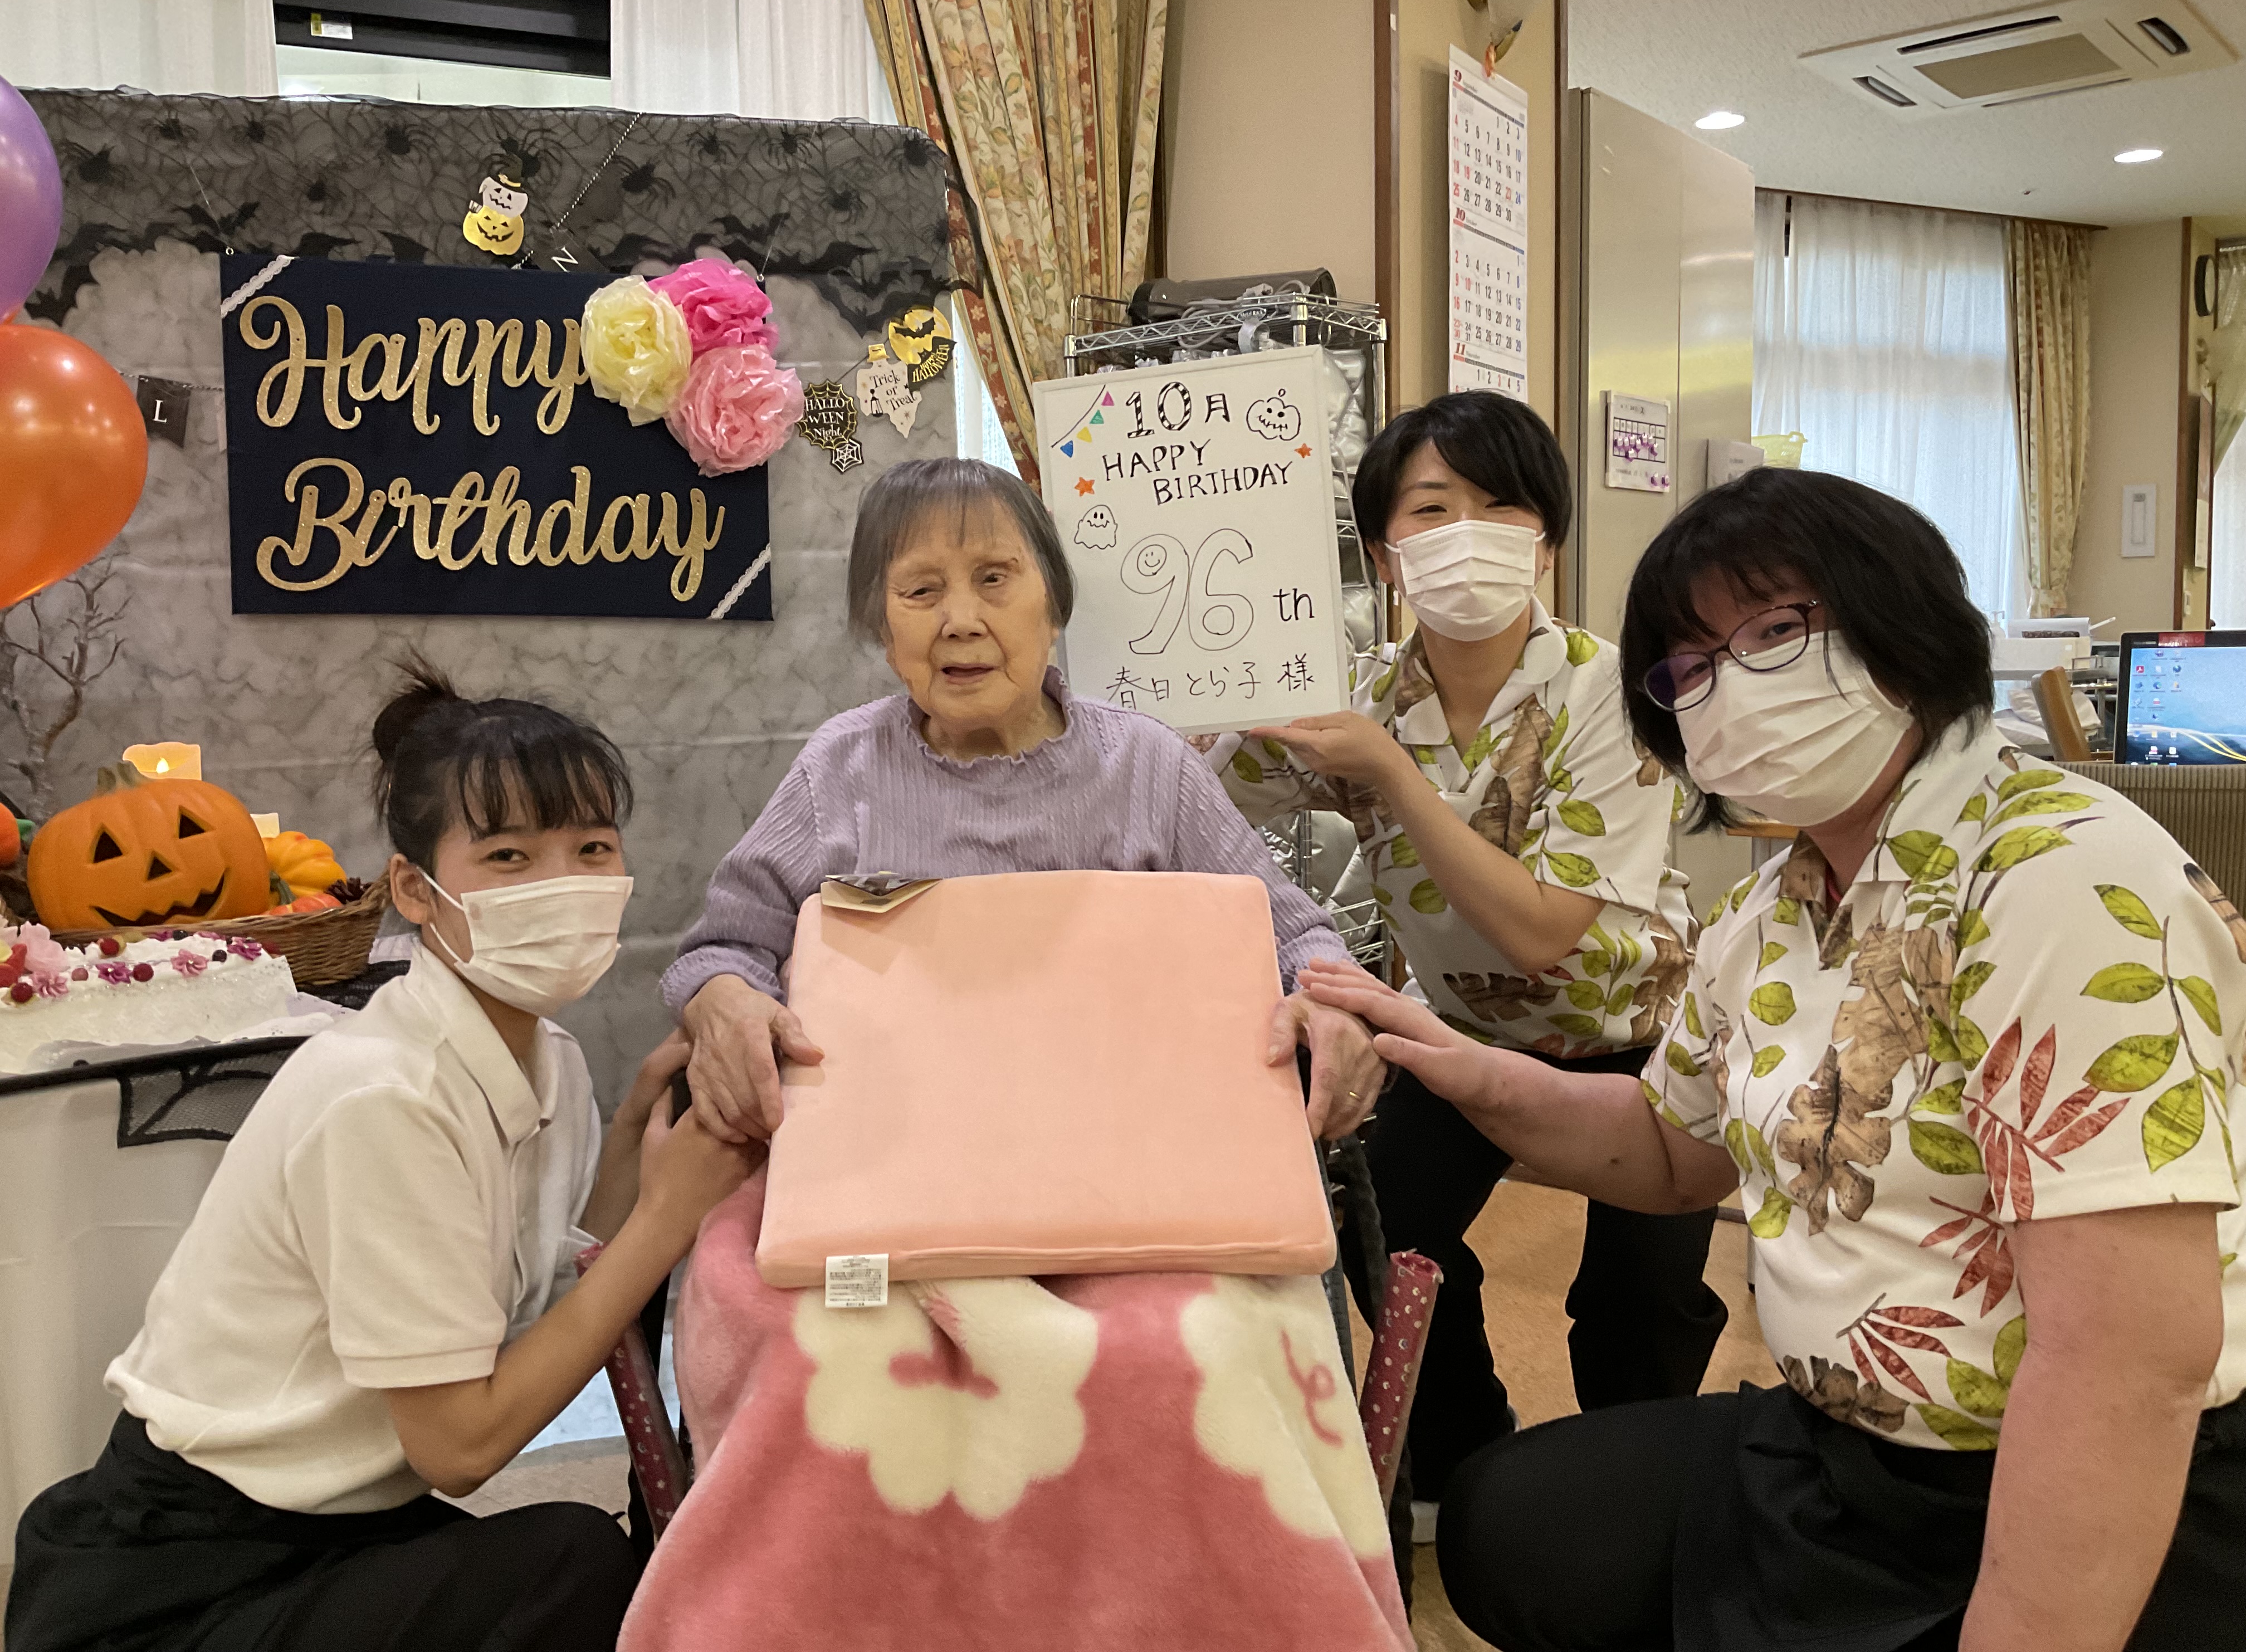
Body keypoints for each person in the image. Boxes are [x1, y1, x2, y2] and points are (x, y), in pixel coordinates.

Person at [1297, 466, 2246, 1652]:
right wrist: (1458, 1060)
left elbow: (2128, 1362)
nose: (1730, 686)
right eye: (1690, 666)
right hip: (1845, 1447)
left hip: (2079, 1469)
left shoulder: (2059, 879)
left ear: (1906, 628)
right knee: (1513, 1524)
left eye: (1775, 631)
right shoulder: (1770, 914)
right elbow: (1668, 1152)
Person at [628, 457, 1410, 1652]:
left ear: (1053, 600)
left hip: (1142, 1188)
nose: (960, 619)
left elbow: (1295, 932)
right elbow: (721, 945)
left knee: (1194, 1350)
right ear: (879, 623)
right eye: (919, 589)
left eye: (995, 577)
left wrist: (1330, 1006)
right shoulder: (839, 770)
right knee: (827, 1353)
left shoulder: (1146, 767)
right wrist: (729, 1000)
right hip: (888, 1186)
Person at [7, 664, 753, 1652]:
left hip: (341, 1522)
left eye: (591, 848)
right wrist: (664, 1221)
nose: (562, 885)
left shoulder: (549, 1059)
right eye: (509, 856)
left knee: (605, 1572)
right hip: (182, 1571)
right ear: (414, 888)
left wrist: (631, 1159)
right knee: (573, 1569)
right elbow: (461, 1446)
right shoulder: (385, 1094)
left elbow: (549, 1289)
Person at [1205, 390, 1720, 1533]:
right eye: (1432, 509)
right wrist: (1196, 706)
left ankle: (1642, 1503)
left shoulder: (1611, 692)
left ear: (1548, 540)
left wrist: (1390, 774)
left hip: (1643, 1040)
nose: (1466, 534)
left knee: (1638, 1299)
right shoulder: (1359, 696)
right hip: (1463, 1036)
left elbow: (1542, 932)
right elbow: (1200, 802)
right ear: (1383, 554)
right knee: (1385, 1230)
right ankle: (1468, 1460)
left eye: (1499, 506)